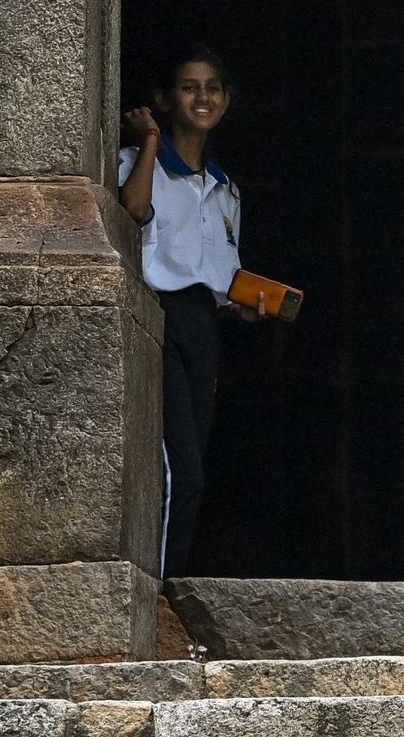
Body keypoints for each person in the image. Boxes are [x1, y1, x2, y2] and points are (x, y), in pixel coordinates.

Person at [119, 46, 263, 579]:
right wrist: (150, 140)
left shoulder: (226, 189)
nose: (202, 97)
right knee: (181, 470)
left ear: (225, 101)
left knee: (192, 462)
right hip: (162, 317)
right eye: (188, 86)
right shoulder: (140, 162)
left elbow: (224, 278)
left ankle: (169, 578)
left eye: (213, 88)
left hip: (205, 324)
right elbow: (132, 210)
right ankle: (160, 590)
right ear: (165, 98)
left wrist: (249, 307)